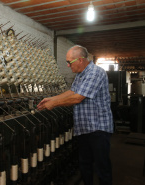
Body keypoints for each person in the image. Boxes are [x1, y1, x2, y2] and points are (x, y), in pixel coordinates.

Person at [37, 45, 113, 185]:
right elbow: (72, 92)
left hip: (98, 128)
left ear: (80, 60)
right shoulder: (80, 75)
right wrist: (52, 99)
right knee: (85, 164)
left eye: (69, 62)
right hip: (84, 128)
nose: (67, 65)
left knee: (102, 166)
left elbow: (78, 98)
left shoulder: (95, 72)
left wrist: (54, 104)